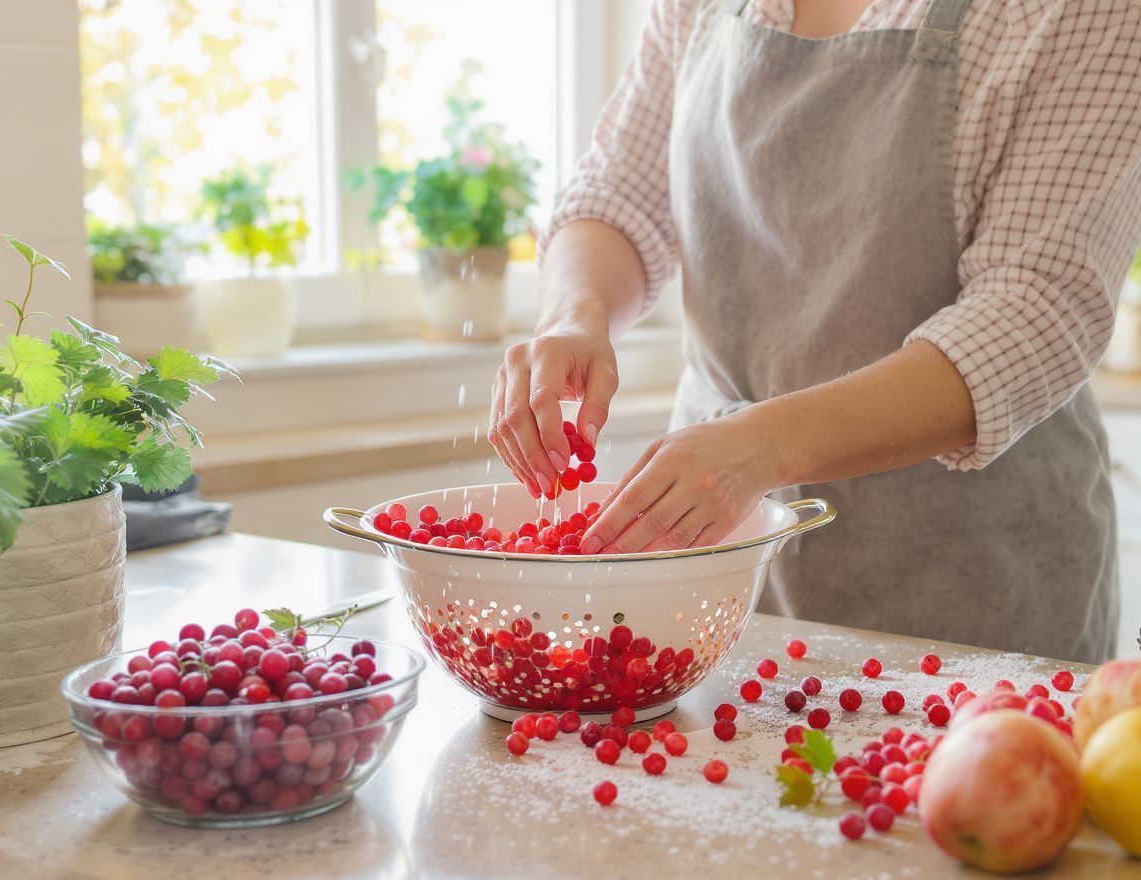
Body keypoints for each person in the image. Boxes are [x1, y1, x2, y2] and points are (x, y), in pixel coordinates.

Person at [488, 0, 1141, 664]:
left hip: (970, 575)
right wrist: (575, 315)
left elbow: (1031, 313)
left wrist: (760, 447)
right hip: (723, 560)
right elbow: (618, 192)